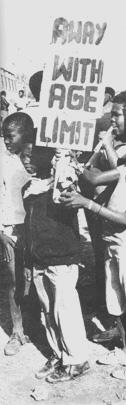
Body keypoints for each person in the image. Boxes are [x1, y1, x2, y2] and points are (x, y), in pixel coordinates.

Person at [60, 119, 126, 380]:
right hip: (112, 243)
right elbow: (94, 176)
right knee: (116, 300)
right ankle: (124, 349)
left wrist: (87, 204)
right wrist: (71, 160)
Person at [81, 89, 126, 343]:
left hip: (123, 220)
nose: (113, 120)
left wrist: (106, 147)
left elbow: (118, 171)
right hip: (104, 217)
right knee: (107, 270)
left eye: (117, 115)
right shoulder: (118, 140)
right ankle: (117, 325)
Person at [22, 145, 90, 383]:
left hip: (62, 258)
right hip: (39, 258)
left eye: (32, 155)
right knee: (48, 309)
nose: (27, 159)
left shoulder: (61, 183)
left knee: (64, 309)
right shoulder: (30, 187)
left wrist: (64, 164)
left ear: (47, 156)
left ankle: (77, 359)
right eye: (24, 155)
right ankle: (59, 354)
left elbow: (71, 190)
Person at [0, 112, 33, 355]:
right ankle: (17, 331)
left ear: (27, 135)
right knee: (14, 281)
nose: (6, 141)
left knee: (34, 280)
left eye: (10, 136)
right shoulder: (4, 162)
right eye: (3, 137)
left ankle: (38, 326)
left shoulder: (39, 160)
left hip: (35, 229)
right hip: (10, 228)